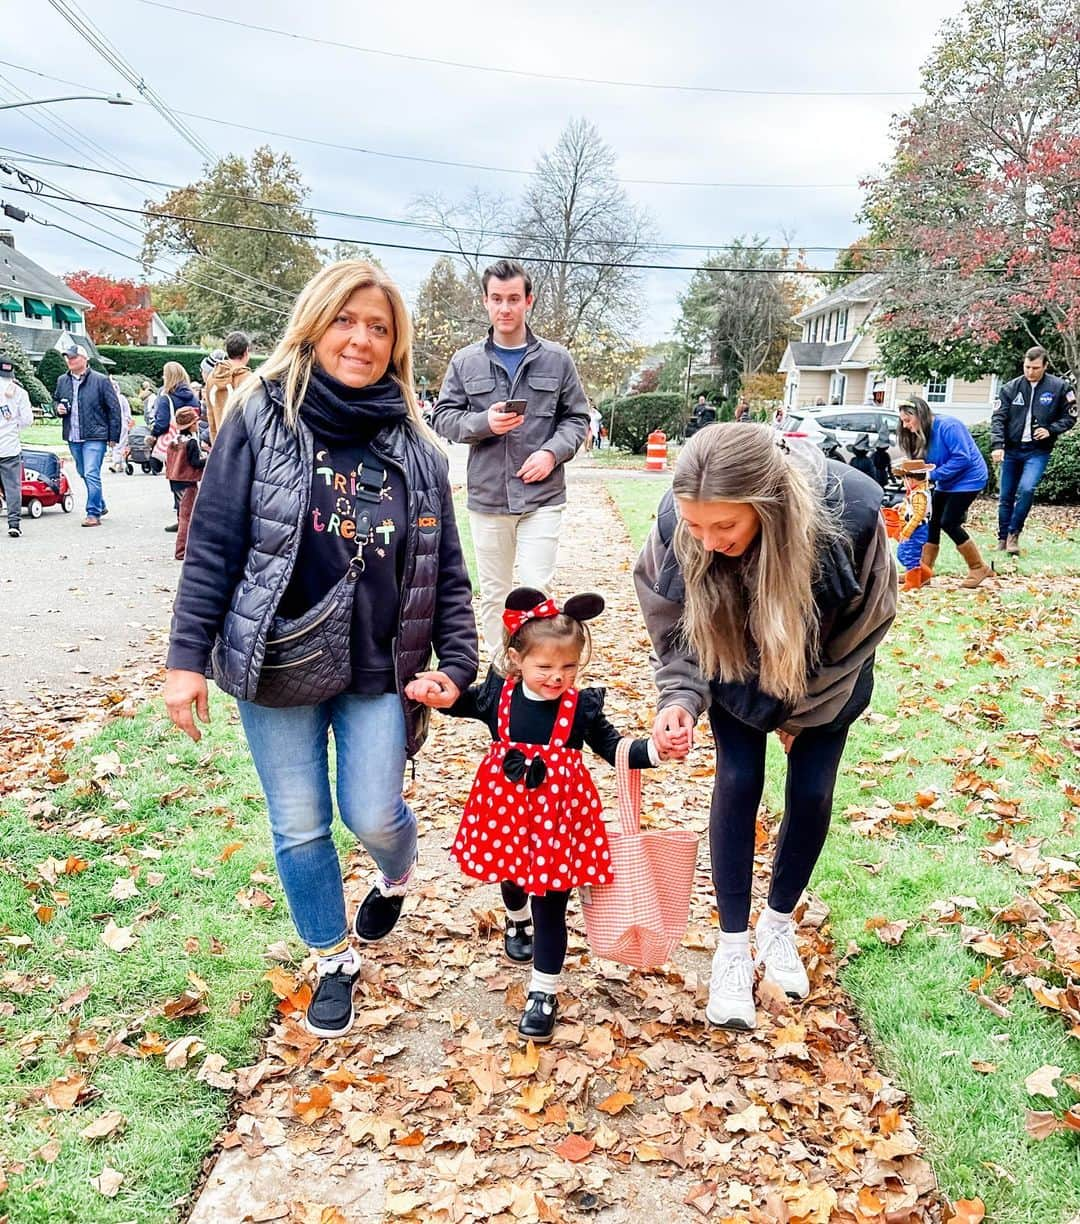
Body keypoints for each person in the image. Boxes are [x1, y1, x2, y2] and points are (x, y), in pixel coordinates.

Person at [164, 260, 477, 1041]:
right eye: (347, 320)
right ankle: (332, 956)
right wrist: (185, 660)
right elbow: (214, 544)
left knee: (372, 811)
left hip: (379, 663)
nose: (361, 339)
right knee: (300, 821)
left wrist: (459, 663)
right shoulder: (259, 416)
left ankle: (397, 870)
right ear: (315, 322)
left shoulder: (418, 447)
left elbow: (447, 571)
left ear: (395, 345)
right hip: (275, 661)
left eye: (379, 328)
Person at [634, 424, 896, 1030]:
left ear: (767, 504)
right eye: (696, 525)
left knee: (811, 791)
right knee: (738, 779)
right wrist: (678, 696)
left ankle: (778, 926)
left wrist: (804, 711)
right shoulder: (682, 531)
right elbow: (671, 622)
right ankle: (730, 949)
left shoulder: (848, 516)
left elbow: (869, 620)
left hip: (827, 669)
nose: (708, 539)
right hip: (732, 660)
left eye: (725, 526)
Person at [410, 587, 663, 1042]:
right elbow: (456, 702)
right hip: (506, 814)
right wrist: (434, 691)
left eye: (568, 667)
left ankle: (543, 991)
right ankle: (515, 917)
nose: (557, 677)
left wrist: (656, 751)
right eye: (544, 667)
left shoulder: (580, 707)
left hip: (560, 822)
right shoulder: (498, 696)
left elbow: (614, 747)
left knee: (553, 904)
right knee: (512, 878)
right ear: (516, 659)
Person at [432, 259, 590, 655]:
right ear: (485, 302)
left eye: (514, 299)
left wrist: (552, 454)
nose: (506, 308)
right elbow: (443, 418)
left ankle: (535, 672)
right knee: (496, 594)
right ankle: (503, 671)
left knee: (536, 590)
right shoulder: (465, 361)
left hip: (542, 496)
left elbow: (577, 417)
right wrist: (483, 422)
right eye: (497, 299)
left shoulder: (557, 359)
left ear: (528, 301)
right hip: (489, 497)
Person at [896, 397, 991, 588]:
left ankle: (978, 566)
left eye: (907, 420)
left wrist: (932, 475)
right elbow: (925, 463)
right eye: (903, 422)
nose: (905, 426)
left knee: (949, 522)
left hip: (969, 479)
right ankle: (923, 571)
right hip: (945, 481)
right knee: (931, 520)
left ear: (919, 415)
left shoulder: (949, 426)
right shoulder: (922, 434)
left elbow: (962, 458)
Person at [991, 345, 1076, 555]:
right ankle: (1002, 538)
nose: (1030, 372)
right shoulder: (1010, 388)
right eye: (1027, 367)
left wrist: (1050, 430)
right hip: (1012, 449)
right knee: (1006, 495)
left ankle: (1014, 534)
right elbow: (998, 418)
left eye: (1035, 368)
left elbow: (1071, 416)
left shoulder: (1060, 388)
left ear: (1045, 366)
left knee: (1027, 489)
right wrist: (998, 445)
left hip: (1037, 451)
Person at [52, 344, 121, 527]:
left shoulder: (101, 380)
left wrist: (114, 436)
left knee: (91, 473)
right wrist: (57, 408)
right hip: (73, 435)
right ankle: (100, 503)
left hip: (95, 435)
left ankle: (93, 513)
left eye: (73, 357)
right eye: (68, 357)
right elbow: (56, 400)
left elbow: (114, 409)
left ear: (84, 359)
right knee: (83, 472)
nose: (70, 361)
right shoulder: (62, 380)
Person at [150, 362, 202, 531]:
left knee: (176, 478)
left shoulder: (166, 398)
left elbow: (162, 423)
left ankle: (182, 520)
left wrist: (153, 432)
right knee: (190, 480)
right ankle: (187, 518)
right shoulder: (193, 396)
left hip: (174, 444)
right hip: (192, 440)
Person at [884, 459, 934, 591]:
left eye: (904, 479)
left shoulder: (919, 495)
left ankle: (913, 583)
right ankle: (924, 574)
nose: (903, 483)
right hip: (915, 528)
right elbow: (913, 507)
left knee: (908, 554)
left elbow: (918, 515)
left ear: (911, 480)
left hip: (916, 529)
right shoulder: (916, 492)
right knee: (905, 554)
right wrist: (902, 506)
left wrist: (907, 532)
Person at [165, 406, 206, 561]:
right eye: (195, 422)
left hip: (174, 482)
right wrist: (209, 458)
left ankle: (184, 548)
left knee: (180, 514)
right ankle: (182, 551)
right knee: (187, 517)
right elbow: (195, 462)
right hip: (188, 482)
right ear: (191, 425)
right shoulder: (192, 442)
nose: (197, 425)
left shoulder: (174, 441)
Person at [0, 359, 33, 538]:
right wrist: (14, 426)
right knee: (12, 487)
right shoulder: (20, 392)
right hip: (9, 447)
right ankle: (14, 523)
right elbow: (28, 419)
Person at [204, 333, 251, 442]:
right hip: (242, 446)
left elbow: (210, 415)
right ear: (246, 351)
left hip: (219, 443)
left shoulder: (212, 377)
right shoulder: (248, 379)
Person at [107, 376, 133, 474]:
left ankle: (115, 463)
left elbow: (127, 412)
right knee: (115, 445)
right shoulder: (107, 399)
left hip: (122, 424)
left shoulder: (122, 398)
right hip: (111, 425)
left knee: (119, 444)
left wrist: (126, 421)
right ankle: (120, 464)